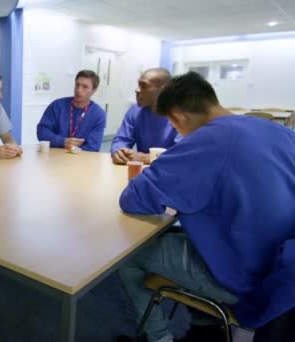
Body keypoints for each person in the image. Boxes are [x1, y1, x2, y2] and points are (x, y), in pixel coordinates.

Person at [116, 72, 295, 342]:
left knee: (128, 256)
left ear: (178, 117)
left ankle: (160, 338)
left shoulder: (209, 140)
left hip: (247, 276)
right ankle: (204, 321)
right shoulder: (281, 132)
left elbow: (134, 198)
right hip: (281, 269)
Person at [111, 68, 179, 165]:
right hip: (142, 172)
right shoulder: (135, 111)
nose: (137, 90)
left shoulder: (180, 115)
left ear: (163, 90)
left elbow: (182, 153)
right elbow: (122, 139)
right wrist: (118, 151)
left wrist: (148, 158)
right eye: (138, 84)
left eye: (144, 86)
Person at [37, 70, 106, 151]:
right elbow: (42, 132)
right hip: (54, 156)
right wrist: (63, 141)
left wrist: (73, 149)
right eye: (77, 85)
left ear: (94, 90)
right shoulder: (57, 106)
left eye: (85, 87)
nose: (79, 90)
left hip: (81, 160)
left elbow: (93, 147)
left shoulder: (98, 114)